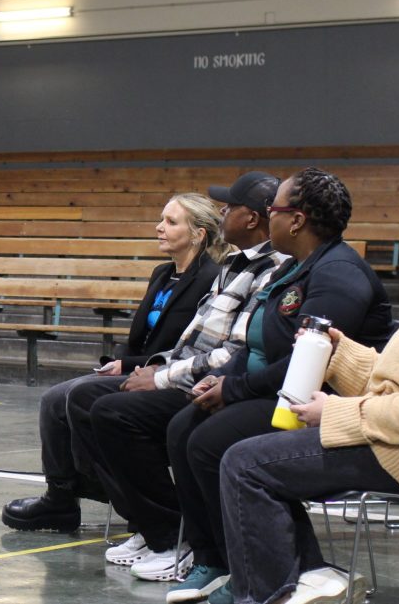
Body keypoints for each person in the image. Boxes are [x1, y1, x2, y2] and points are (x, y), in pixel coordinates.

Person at [218, 156, 399, 604]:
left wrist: (333, 412)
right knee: (241, 455)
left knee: (245, 464)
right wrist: (341, 353)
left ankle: (276, 591)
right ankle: (301, 579)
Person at [165, 168, 394, 604]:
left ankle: (270, 570)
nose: (269, 214)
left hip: (327, 405)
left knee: (212, 442)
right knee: (182, 429)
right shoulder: (295, 267)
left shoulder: (338, 274)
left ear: (296, 221)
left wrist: (235, 390)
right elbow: (257, 344)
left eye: (274, 209)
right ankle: (215, 559)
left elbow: (309, 363)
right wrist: (226, 378)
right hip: (277, 390)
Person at [70, 172, 288, 582]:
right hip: (186, 371)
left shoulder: (271, 270)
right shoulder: (234, 265)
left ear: (252, 218)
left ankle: (173, 536)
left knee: (113, 412)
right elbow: (194, 339)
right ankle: (146, 522)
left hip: (213, 384)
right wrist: (155, 366)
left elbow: (234, 352)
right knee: (82, 399)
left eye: (230, 207)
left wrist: (161, 378)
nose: (223, 212)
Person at [2, 193, 226, 533]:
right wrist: (121, 361)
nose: (159, 227)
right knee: (53, 400)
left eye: (171, 222)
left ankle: (104, 487)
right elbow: (139, 336)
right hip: (134, 366)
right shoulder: (162, 274)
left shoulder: (211, 278)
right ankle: (61, 498)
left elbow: (185, 348)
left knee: (76, 398)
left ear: (198, 234)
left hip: (166, 374)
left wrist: (131, 365)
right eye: (161, 219)